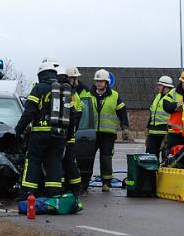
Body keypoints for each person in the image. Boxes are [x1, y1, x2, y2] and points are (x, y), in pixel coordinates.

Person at [15, 61, 75, 197]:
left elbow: (29, 112)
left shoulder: (38, 88)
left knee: (33, 160)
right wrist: (69, 135)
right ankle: (54, 193)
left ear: (41, 75)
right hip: (59, 134)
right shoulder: (64, 90)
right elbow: (72, 115)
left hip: (39, 134)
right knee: (55, 161)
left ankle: (28, 192)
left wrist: (18, 130)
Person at [87, 69, 130, 192]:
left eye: (101, 81)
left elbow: (122, 112)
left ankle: (106, 183)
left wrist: (125, 128)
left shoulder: (115, 96)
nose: (99, 83)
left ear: (107, 83)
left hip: (108, 134)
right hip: (92, 133)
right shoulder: (88, 95)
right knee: (88, 158)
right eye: (97, 81)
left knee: (106, 159)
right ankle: (85, 181)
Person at [60, 67, 84, 194]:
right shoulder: (73, 93)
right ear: (71, 79)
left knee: (63, 162)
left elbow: (73, 116)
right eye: (76, 78)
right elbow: (76, 116)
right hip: (69, 134)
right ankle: (75, 188)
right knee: (70, 162)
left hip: (65, 134)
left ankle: (67, 187)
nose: (78, 81)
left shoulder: (71, 93)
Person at [162, 69, 184, 156]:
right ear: (181, 81)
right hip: (175, 132)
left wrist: (183, 107)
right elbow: (165, 105)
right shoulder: (174, 92)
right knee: (171, 154)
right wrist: (176, 106)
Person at [145, 75, 175, 160]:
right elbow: (152, 113)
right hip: (153, 133)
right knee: (150, 157)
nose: (158, 87)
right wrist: (148, 129)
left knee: (166, 158)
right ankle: (152, 173)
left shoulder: (172, 97)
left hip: (165, 133)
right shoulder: (157, 96)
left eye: (160, 85)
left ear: (166, 86)